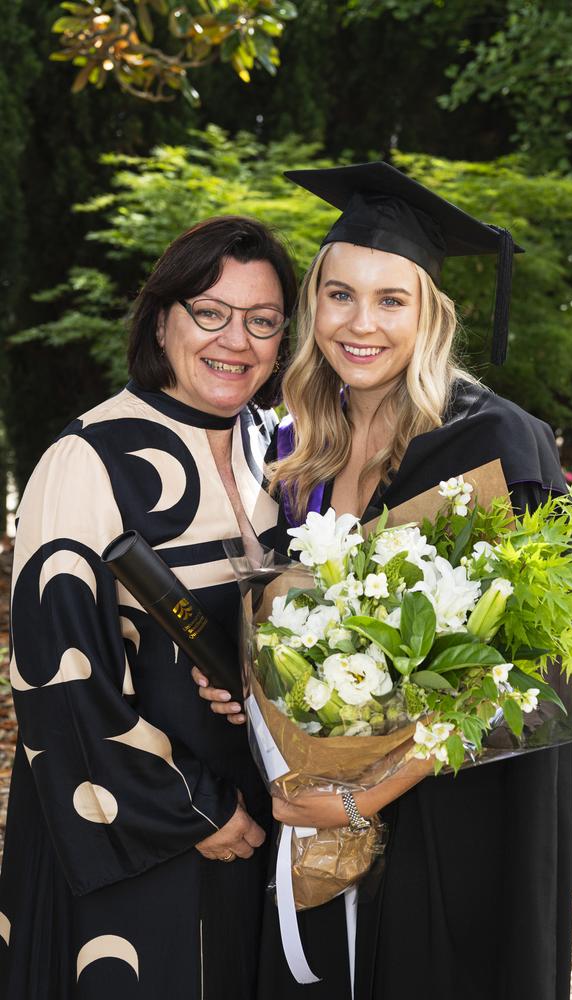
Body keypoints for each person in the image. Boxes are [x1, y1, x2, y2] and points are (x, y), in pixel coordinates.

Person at [195, 164, 572, 1000]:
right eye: (340, 295)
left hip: (455, 821)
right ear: (313, 305)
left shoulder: (493, 445)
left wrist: (366, 797)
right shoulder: (301, 450)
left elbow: (539, 676)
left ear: (430, 315)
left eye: (392, 300)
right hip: (320, 815)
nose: (362, 324)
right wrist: (254, 680)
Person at [0, 215, 297, 999]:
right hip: (140, 832)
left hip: (266, 817)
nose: (236, 340)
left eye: (262, 321)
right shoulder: (87, 458)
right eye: (210, 312)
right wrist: (194, 811)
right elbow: (58, 680)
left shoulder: (279, 452)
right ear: (161, 318)